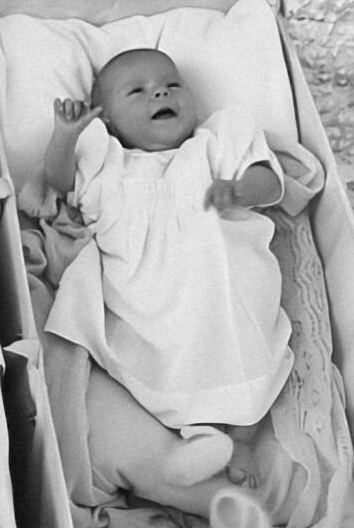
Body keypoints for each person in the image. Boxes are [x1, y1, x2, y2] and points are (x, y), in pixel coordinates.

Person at [43, 48, 294, 491]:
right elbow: (60, 185)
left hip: (223, 280)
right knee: (160, 358)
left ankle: (243, 439)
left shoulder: (217, 140)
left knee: (247, 345)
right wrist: (65, 136)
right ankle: (190, 441)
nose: (159, 91)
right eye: (136, 91)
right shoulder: (104, 161)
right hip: (149, 292)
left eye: (171, 84)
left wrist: (238, 191)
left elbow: (270, 183)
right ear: (109, 121)